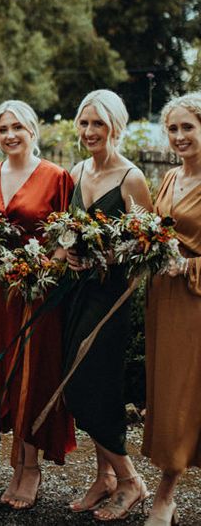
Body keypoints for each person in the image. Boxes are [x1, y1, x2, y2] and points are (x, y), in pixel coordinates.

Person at [0, 100, 76, 510]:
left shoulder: (57, 177)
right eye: (3, 129)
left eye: (18, 127)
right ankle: (15, 459)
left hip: (38, 289)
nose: (10, 135)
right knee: (3, 370)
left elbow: (67, 234)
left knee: (32, 371)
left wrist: (42, 267)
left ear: (33, 130)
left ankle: (30, 465)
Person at [62, 89, 153, 521]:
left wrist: (110, 254)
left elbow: (147, 242)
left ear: (115, 125)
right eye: (84, 123)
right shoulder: (78, 170)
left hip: (113, 297)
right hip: (78, 291)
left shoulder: (131, 177)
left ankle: (130, 479)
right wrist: (71, 253)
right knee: (81, 382)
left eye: (99, 123)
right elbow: (66, 231)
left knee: (91, 385)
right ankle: (105, 477)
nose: (90, 131)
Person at [142, 92, 201, 526]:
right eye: (174, 129)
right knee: (167, 396)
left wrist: (191, 265)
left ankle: (165, 495)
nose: (179, 136)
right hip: (163, 299)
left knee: (187, 396)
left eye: (188, 128)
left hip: (196, 302)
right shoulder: (170, 179)